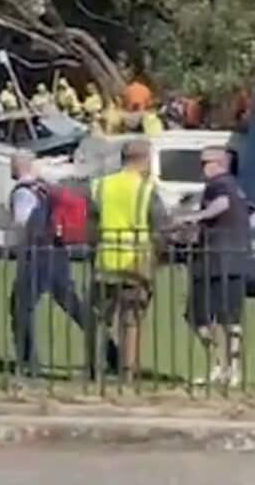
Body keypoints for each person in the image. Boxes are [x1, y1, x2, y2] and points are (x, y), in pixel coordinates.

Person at [174, 146, 255, 387]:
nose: (201, 168)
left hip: (214, 258)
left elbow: (221, 204)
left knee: (198, 314)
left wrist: (195, 217)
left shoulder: (219, 184)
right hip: (235, 255)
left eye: (204, 163)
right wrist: (243, 232)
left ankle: (219, 364)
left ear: (218, 163)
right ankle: (231, 369)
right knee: (229, 316)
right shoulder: (238, 187)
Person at [89, 139, 167, 380]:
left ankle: (95, 367)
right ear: (144, 159)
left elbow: (91, 224)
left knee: (99, 319)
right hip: (136, 264)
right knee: (131, 320)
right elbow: (159, 225)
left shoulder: (100, 185)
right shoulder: (146, 188)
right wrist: (159, 257)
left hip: (105, 261)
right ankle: (128, 370)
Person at [7, 152, 90, 377]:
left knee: (21, 306)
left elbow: (22, 222)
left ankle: (28, 361)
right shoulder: (45, 188)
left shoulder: (23, 193)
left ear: (16, 168)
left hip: (37, 254)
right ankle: (110, 352)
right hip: (57, 251)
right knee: (75, 306)